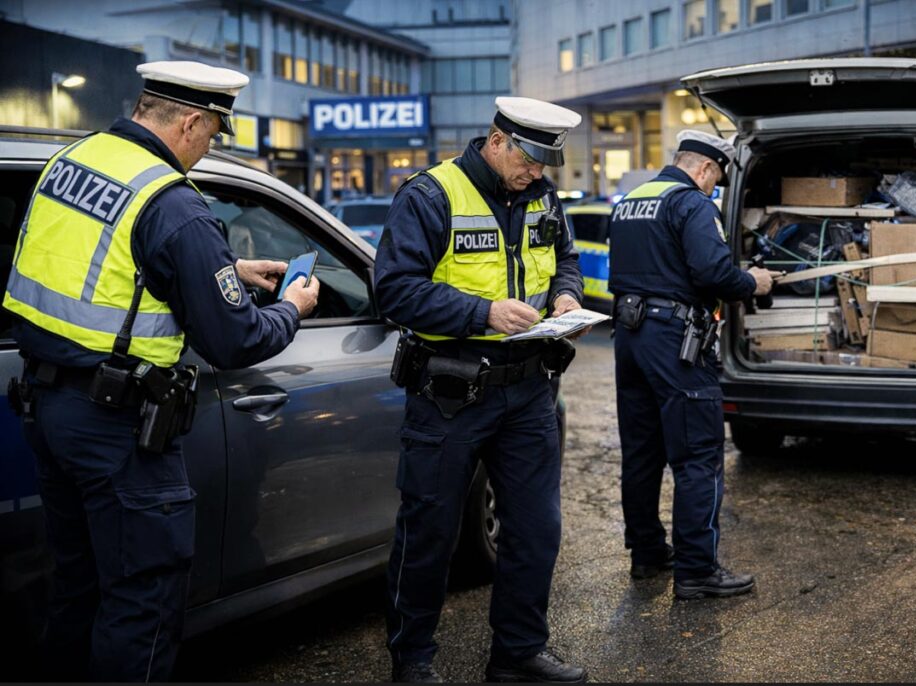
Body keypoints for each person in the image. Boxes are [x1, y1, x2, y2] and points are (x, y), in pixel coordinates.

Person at [2, 60, 319, 681]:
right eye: (212, 135)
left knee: (78, 589)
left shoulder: (74, 161)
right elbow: (236, 340)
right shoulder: (172, 202)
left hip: (46, 404)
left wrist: (226, 270)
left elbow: (102, 267)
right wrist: (293, 306)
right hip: (118, 431)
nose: (207, 150)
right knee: (142, 601)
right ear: (192, 121)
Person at [374, 96, 588, 683]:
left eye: (546, 162)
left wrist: (566, 296)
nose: (537, 172)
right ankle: (412, 661)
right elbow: (393, 290)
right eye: (529, 158)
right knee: (429, 531)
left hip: (528, 391)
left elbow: (563, 259)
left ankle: (517, 654)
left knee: (535, 528)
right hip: (451, 391)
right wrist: (482, 312)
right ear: (496, 141)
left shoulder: (542, 196)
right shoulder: (431, 195)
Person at [608, 129, 775, 601]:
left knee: (641, 455)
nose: (714, 189)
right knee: (698, 457)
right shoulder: (692, 203)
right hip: (675, 341)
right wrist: (754, 281)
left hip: (630, 337)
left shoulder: (631, 200)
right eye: (716, 180)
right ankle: (698, 570)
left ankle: (646, 554)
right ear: (703, 168)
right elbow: (712, 273)